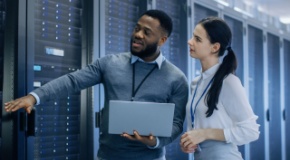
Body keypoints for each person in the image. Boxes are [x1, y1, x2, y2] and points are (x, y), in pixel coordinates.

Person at [4, 10, 189, 160]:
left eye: (146, 32)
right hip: (108, 157)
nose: (137, 35)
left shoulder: (176, 78)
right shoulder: (110, 63)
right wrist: (34, 96)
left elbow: (177, 124)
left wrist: (154, 141)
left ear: (162, 40)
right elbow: (72, 81)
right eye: (136, 28)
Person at [180, 16, 260, 160]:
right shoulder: (196, 83)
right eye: (193, 37)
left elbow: (251, 131)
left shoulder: (229, 82)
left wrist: (205, 133)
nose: (189, 42)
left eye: (197, 39)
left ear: (215, 47)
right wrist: (190, 141)